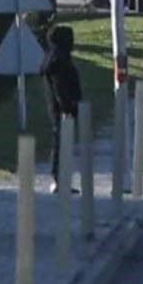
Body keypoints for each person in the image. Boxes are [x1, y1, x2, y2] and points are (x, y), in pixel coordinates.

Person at [41, 24, 82, 193]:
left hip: (64, 108)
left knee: (63, 142)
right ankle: (59, 179)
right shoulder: (58, 62)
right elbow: (59, 87)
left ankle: (62, 179)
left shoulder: (56, 58)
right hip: (63, 110)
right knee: (61, 143)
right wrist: (67, 106)